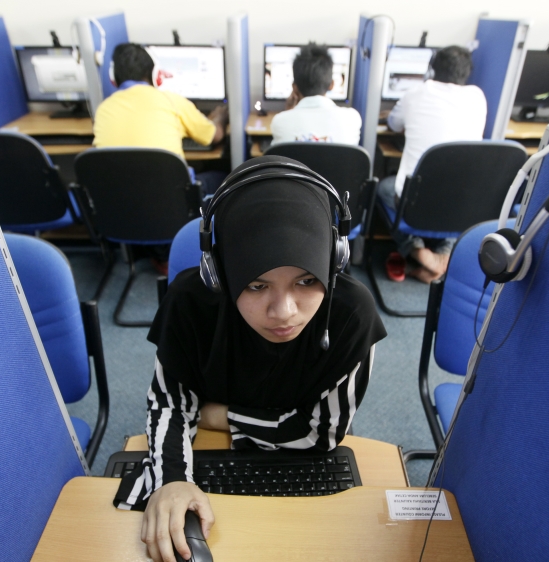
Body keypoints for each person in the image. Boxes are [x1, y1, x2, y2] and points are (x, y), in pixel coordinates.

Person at [114, 156, 387, 562]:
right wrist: (171, 480)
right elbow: (170, 402)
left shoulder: (352, 314)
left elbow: (320, 435)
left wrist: (215, 415)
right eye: (257, 284)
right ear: (220, 274)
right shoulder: (190, 302)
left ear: (334, 261)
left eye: (307, 280)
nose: (284, 311)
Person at [379, 46, 487, 283]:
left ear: (431, 70)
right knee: (457, 194)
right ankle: (445, 256)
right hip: (462, 204)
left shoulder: (416, 93)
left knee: (385, 188)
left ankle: (421, 253)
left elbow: (395, 125)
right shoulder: (478, 96)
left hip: (416, 202)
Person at [93, 43, 228, 196]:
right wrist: (221, 117)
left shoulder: (103, 109)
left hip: (121, 203)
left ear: (113, 79)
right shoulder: (171, 101)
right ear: (156, 76)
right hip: (173, 203)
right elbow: (215, 136)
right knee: (223, 176)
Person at [271, 44, 362, 145]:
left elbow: (280, 157)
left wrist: (288, 113)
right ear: (331, 84)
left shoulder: (280, 122)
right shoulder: (352, 119)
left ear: (295, 88)